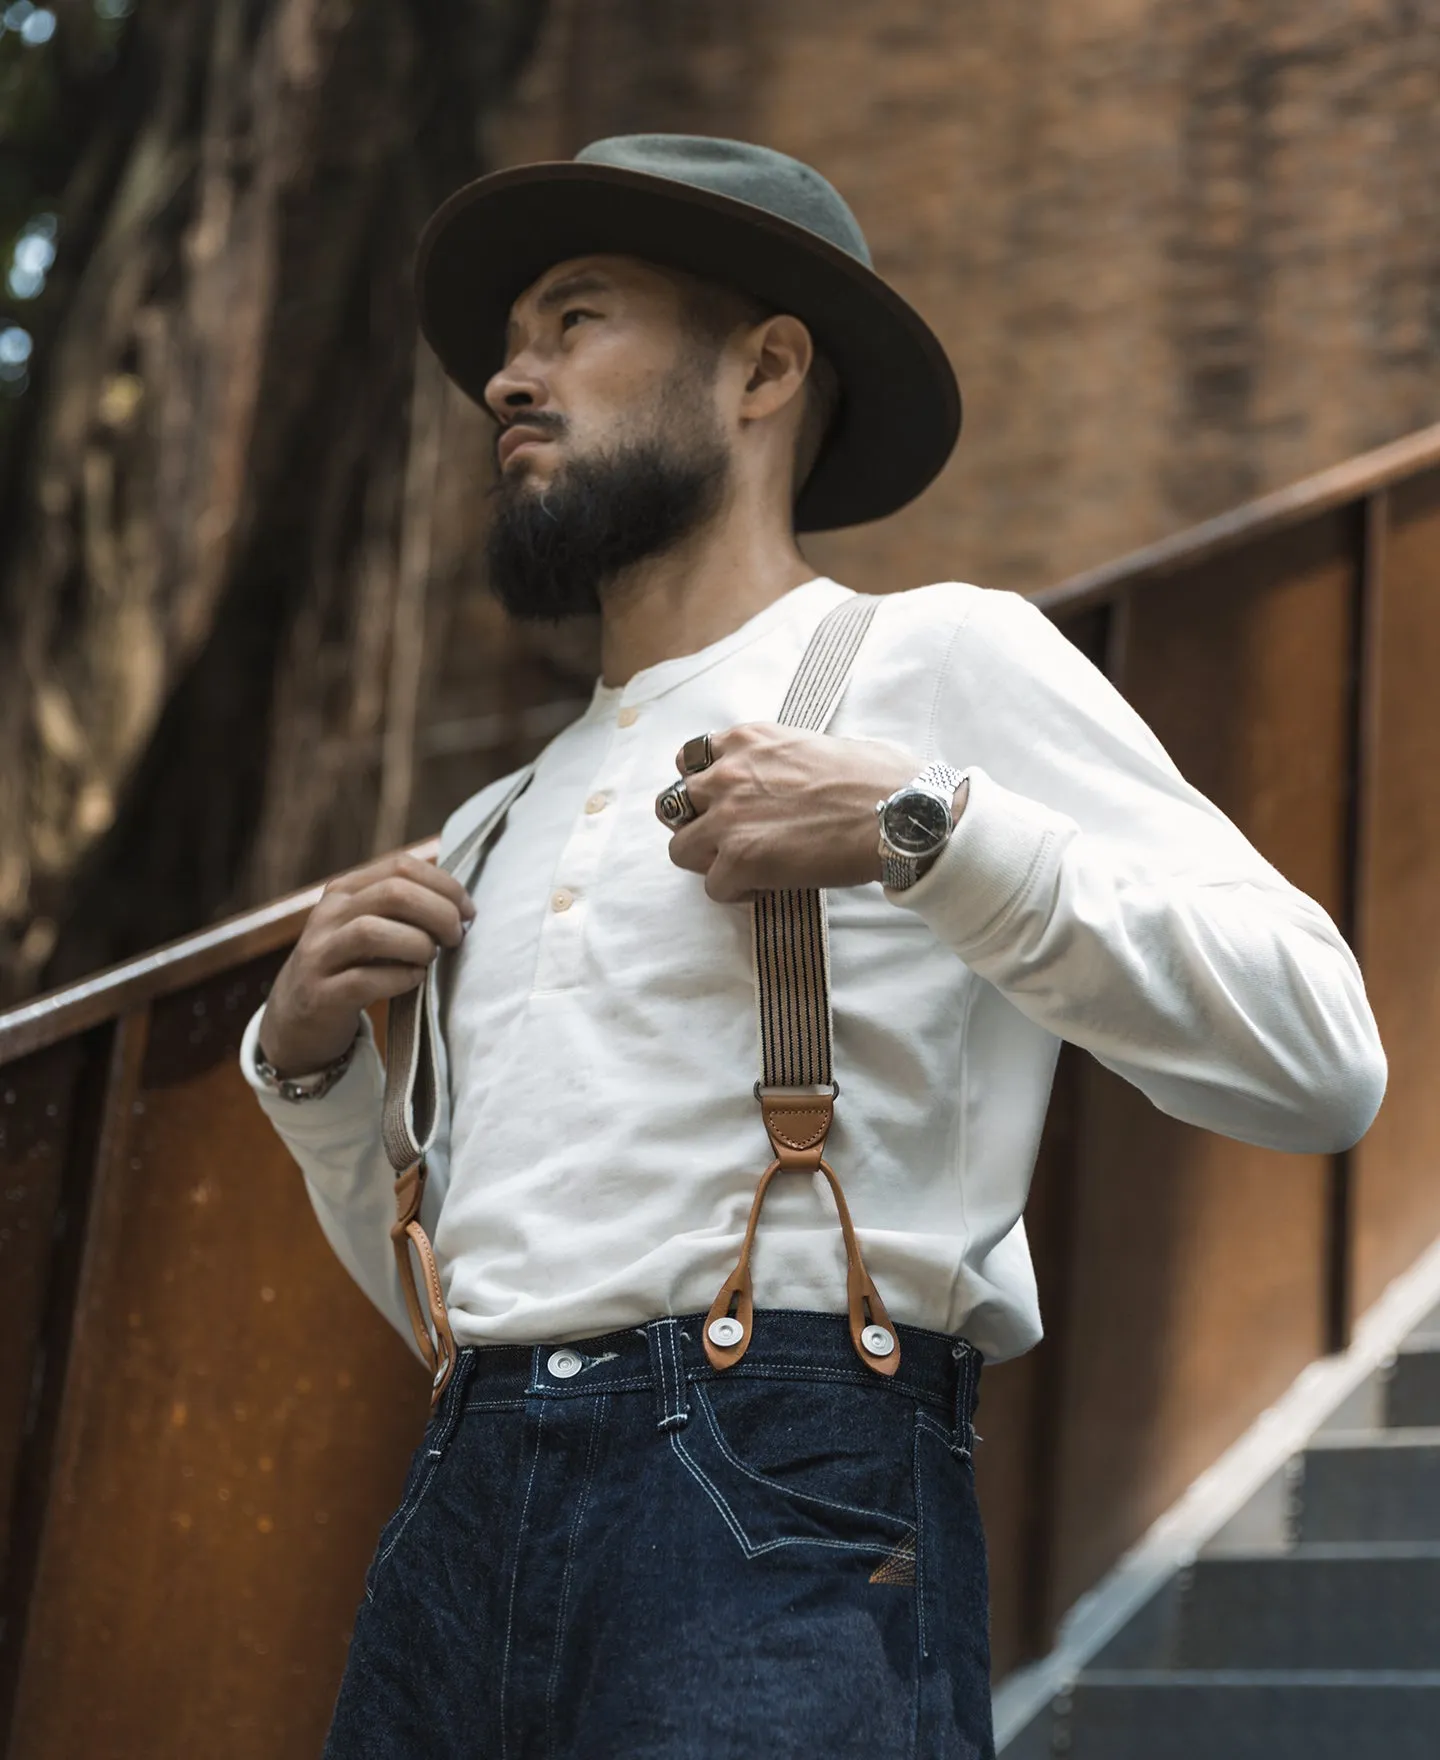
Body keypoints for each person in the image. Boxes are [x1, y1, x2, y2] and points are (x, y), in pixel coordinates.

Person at [239, 135, 1387, 1759]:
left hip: (785, 1494)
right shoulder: (494, 821)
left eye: (576, 319)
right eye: (511, 342)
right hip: (460, 1508)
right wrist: (305, 1069)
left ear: (766, 366)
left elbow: (1323, 1057)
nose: (508, 376)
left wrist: (928, 828)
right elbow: (476, 1291)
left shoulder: (940, 660)